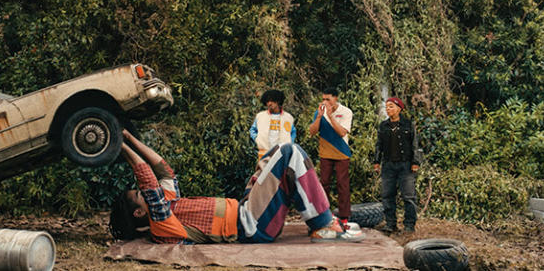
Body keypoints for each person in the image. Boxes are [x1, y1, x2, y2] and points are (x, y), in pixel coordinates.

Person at [109, 129, 364, 244]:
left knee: (274, 153)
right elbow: (148, 181)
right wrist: (118, 146)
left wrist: (128, 138)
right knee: (289, 153)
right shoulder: (162, 226)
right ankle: (323, 226)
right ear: (140, 213)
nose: (146, 192)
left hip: (245, 209)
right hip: (249, 226)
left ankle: (322, 217)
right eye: (139, 195)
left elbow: (162, 170)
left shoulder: (169, 202)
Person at [373, 97, 423, 233]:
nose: (388, 109)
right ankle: (390, 224)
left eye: (391, 106)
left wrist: (415, 162)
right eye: (387, 107)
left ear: (399, 109)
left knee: (408, 196)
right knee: (387, 195)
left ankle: (409, 225)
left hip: (405, 165)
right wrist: (376, 161)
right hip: (388, 165)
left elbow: (415, 144)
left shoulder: (408, 124)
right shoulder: (383, 126)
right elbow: (379, 145)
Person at [307, 87, 354, 229]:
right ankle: (324, 216)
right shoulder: (319, 112)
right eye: (323, 99)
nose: (325, 102)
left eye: (328, 99)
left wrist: (331, 116)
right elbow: (312, 132)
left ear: (336, 98)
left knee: (342, 185)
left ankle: (344, 217)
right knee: (324, 184)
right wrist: (320, 116)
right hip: (325, 153)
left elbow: (341, 132)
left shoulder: (346, 112)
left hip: (341, 152)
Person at [249, 89, 296, 160]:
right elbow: (252, 130)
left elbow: (293, 132)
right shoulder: (260, 116)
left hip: (282, 154)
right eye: (267, 101)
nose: (269, 103)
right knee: (264, 171)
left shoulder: (288, 117)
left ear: (278, 101)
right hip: (264, 154)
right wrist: (257, 139)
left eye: (272, 100)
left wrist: (290, 143)